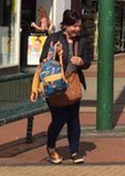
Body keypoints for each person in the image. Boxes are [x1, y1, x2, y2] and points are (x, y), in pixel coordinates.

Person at [30, 10, 91, 164]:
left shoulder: (82, 41)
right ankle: (51, 147)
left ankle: (75, 152)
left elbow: (88, 61)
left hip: (73, 83)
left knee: (73, 119)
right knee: (59, 119)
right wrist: (53, 52)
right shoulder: (54, 38)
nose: (77, 29)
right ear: (65, 25)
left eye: (79, 26)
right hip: (54, 84)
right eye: (74, 26)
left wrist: (82, 62)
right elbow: (43, 61)